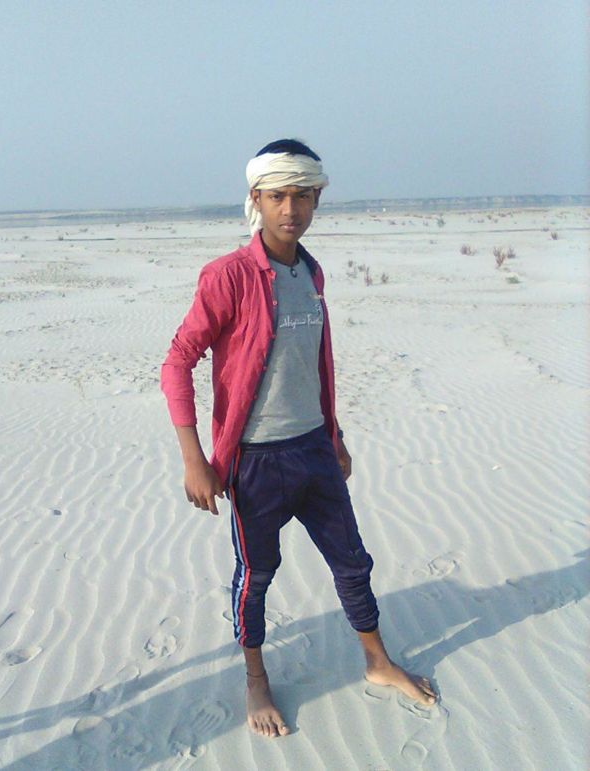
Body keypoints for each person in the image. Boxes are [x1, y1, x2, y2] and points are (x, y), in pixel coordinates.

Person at [161, 139, 436, 739]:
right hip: (255, 462)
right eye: (279, 196)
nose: (291, 209)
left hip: (314, 449)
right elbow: (176, 362)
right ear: (256, 199)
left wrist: (335, 435)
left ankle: (377, 661)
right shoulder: (228, 276)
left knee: (352, 562)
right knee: (256, 576)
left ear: (317, 200)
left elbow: (315, 363)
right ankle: (255, 679)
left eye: (303, 196)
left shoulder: (311, 272)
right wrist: (194, 460)